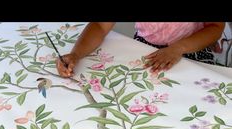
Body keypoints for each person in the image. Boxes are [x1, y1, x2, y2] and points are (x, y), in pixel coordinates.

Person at [56, 22, 225, 78]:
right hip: (145, 48)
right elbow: (100, 26)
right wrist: (76, 54)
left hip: (191, 49)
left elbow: (216, 27)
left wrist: (179, 48)